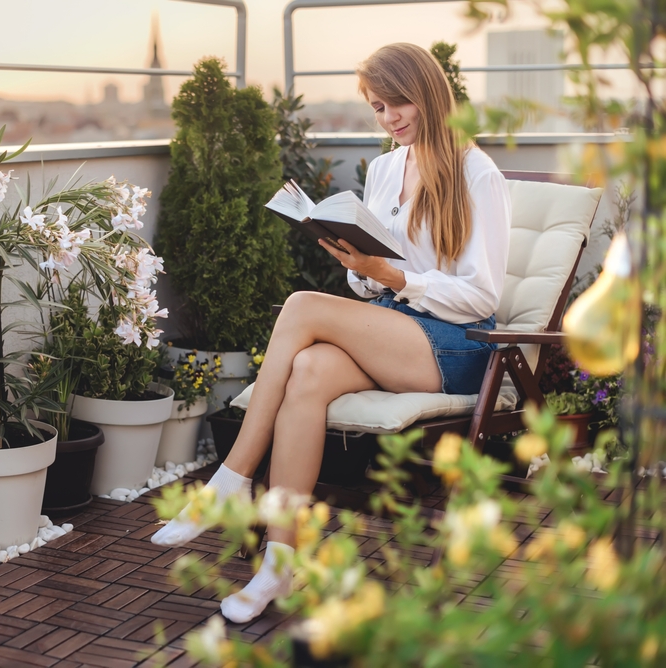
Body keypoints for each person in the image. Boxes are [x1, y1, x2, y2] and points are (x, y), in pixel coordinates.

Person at [150, 42, 512, 623]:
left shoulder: (477, 172)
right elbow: (371, 283)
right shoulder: (388, 167)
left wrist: (395, 277)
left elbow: (481, 295)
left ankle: (229, 478)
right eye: (377, 107)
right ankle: (279, 564)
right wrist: (363, 271)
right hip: (398, 328)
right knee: (309, 371)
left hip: (459, 345)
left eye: (400, 103)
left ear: (429, 95)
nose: (390, 118)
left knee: (300, 306)